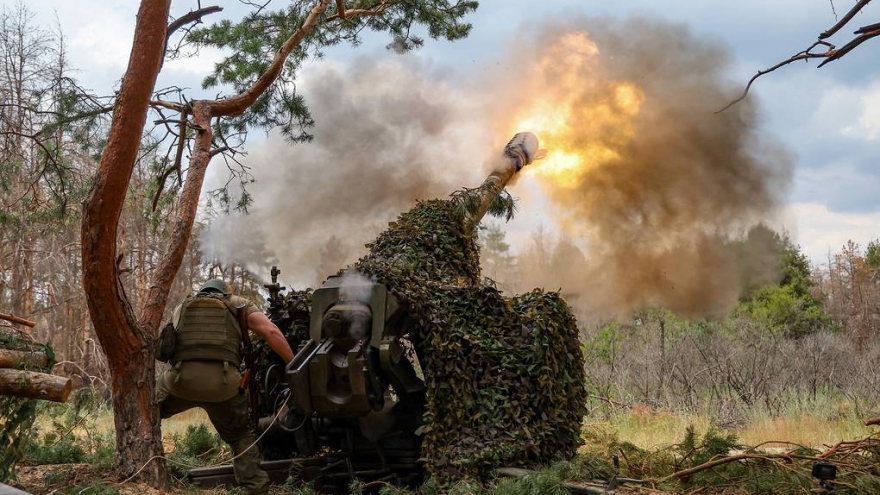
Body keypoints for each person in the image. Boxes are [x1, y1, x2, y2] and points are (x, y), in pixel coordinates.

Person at [156, 278, 294, 495]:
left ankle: (148, 463)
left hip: (180, 382)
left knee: (147, 409)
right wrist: (293, 363)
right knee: (241, 435)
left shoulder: (182, 306)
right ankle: (255, 487)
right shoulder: (238, 304)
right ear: (226, 293)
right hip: (224, 386)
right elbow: (272, 332)